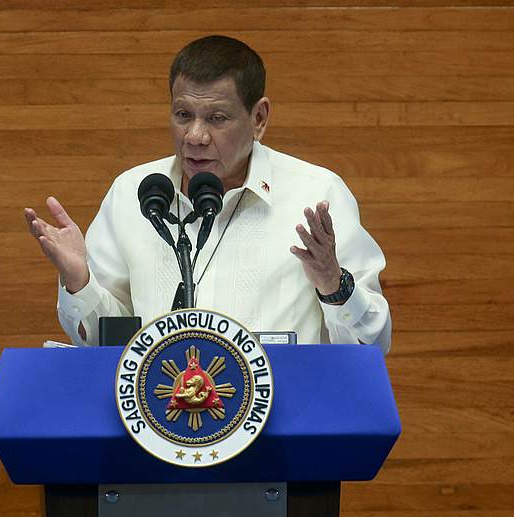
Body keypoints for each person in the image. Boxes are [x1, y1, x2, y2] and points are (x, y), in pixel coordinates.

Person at [24, 35, 391, 353]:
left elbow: (372, 345)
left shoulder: (314, 194)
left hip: (283, 422)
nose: (195, 136)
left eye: (217, 118)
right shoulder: (133, 194)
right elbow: (107, 345)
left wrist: (334, 285)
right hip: (158, 422)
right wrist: (80, 283)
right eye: (183, 114)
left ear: (259, 118)